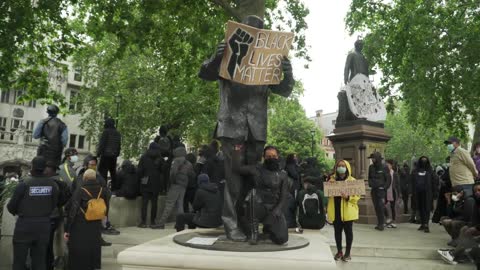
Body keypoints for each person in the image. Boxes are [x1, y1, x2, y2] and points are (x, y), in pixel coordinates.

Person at [199, 15, 294, 241]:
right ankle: (231, 224)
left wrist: (288, 72)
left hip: (256, 129)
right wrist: (217, 56)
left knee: (253, 180)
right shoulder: (229, 56)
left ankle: (247, 220)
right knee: (233, 180)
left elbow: (284, 90)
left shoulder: (266, 63)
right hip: (233, 127)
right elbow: (205, 73)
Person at [7, 156, 59, 270]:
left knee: (19, 261)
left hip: (24, 225)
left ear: (32, 167)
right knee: (40, 261)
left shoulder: (24, 184)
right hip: (43, 226)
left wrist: (21, 212)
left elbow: (11, 206)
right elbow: (54, 204)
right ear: (44, 168)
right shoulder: (53, 185)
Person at [232, 145, 289, 245]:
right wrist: (237, 152)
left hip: (274, 207)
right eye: (268, 156)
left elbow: (283, 196)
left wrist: (277, 211)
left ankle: (268, 230)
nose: (272, 158)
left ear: (278, 156)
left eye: (274, 156)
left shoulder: (283, 174)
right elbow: (237, 168)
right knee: (253, 195)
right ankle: (254, 233)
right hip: (258, 205)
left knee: (282, 239)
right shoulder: (256, 169)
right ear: (264, 157)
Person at [65, 169, 109, 270]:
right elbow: (106, 206)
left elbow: (73, 210)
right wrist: (105, 221)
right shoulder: (103, 190)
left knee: (80, 247)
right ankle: (93, 266)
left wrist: (67, 229)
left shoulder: (80, 190)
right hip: (96, 223)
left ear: (84, 178)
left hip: (81, 223)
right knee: (94, 246)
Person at [327, 160, 360, 262]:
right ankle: (339, 251)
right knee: (337, 232)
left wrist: (348, 197)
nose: (341, 167)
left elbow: (357, 197)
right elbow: (328, 194)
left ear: (347, 167)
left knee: (348, 233)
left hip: (348, 213)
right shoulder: (332, 180)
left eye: (343, 166)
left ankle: (347, 253)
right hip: (336, 211)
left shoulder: (353, 181)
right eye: (339, 166)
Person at [156, 146, 195, 229]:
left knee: (169, 204)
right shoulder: (188, 163)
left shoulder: (176, 161)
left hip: (176, 184)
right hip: (183, 185)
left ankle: (161, 223)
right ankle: (180, 223)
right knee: (180, 205)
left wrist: (172, 182)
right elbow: (191, 175)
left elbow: (173, 173)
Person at [44, 161, 71, 270]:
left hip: (49, 216)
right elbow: (66, 197)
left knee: (46, 245)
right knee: (51, 244)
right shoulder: (61, 181)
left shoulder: (49, 182)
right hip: (56, 216)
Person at [137, 143, 164, 228]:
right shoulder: (160, 158)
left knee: (144, 203)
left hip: (145, 181)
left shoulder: (144, 157)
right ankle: (153, 221)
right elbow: (163, 171)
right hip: (156, 183)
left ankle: (143, 222)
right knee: (154, 203)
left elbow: (139, 171)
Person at [411, 156, 437, 233]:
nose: (423, 162)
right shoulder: (415, 171)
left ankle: (426, 224)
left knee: (427, 209)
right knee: (420, 208)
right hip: (418, 193)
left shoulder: (430, 171)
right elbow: (412, 182)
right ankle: (422, 224)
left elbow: (434, 183)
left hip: (428, 193)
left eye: (425, 160)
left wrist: (435, 193)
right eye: (422, 160)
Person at [97, 118, 122, 191]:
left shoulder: (106, 132)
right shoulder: (118, 133)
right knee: (113, 172)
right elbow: (119, 145)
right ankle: (114, 188)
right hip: (114, 156)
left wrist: (98, 154)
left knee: (103, 172)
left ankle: (103, 188)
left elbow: (102, 144)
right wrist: (116, 154)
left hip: (105, 155)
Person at [368, 152, 391, 231]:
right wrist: (371, 184)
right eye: (372, 158)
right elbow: (369, 178)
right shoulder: (371, 167)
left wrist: (384, 188)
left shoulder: (384, 167)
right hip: (374, 190)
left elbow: (388, 180)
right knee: (376, 207)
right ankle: (379, 223)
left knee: (381, 206)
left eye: (373, 158)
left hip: (381, 191)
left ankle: (382, 223)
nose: (372, 160)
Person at [385, 159, 401, 228]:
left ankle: (393, 221)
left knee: (392, 207)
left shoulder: (395, 173)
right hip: (385, 192)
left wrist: (399, 194)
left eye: (388, 165)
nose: (387, 166)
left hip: (392, 192)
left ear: (391, 165)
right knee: (383, 205)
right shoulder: (385, 173)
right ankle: (387, 219)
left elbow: (397, 185)